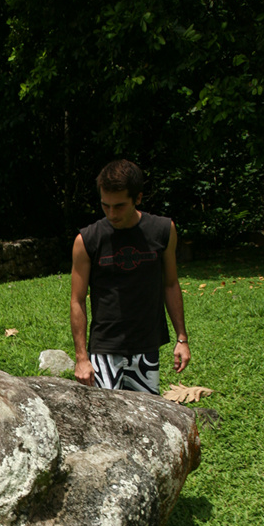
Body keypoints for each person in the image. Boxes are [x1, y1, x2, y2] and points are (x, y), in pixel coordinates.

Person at [71, 159, 191, 394]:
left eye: (119, 206)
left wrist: (182, 338)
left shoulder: (163, 230)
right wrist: (81, 357)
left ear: (138, 198)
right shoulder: (87, 240)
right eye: (105, 206)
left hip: (146, 346)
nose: (111, 214)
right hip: (104, 349)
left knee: (147, 415)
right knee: (104, 415)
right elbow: (77, 300)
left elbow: (170, 284)